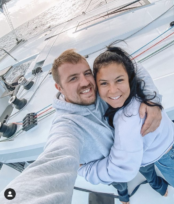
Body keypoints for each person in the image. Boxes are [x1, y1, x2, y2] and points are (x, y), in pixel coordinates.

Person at [0, 49, 163, 204]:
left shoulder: (102, 89)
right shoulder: (66, 126)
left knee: (148, 170)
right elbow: (55, 160)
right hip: (109, 171)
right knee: (119, 184)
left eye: (87, 73)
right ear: (59, 88)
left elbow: (134, 68)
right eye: (73, 78)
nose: (85, 82)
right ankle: (123, 193)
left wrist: (152, 101)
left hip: (139, 151)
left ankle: (156, 184)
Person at [78, 46, 174, 204]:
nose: (113, 90)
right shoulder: (133, 90)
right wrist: (152, 99)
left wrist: (82, 169)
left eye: (119, 80)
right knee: (151, 172)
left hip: (170, 155)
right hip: (151, 152)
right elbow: (135, 67)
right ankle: (159, 184)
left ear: (129, 77)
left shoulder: (128, 120)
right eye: (104, 83)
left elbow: (121, 170)